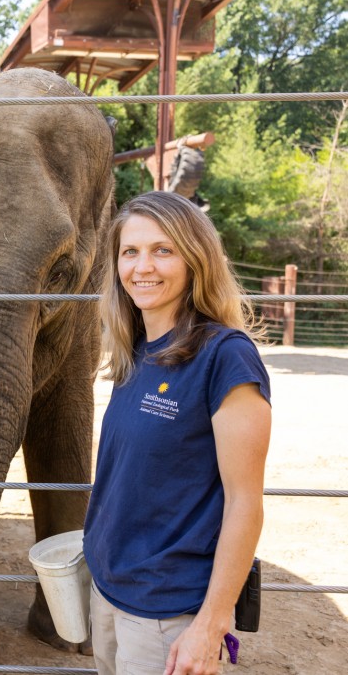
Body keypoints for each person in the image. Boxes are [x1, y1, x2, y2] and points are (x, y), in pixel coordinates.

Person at [83, 191, 272, 675]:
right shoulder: (135, 352)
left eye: (162, 250)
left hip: (166, 614)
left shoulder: (225, 357)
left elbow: (244, 502)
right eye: (130, 251)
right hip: (109, 589)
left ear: (195, 259)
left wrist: (211, 624)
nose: (142, 266)